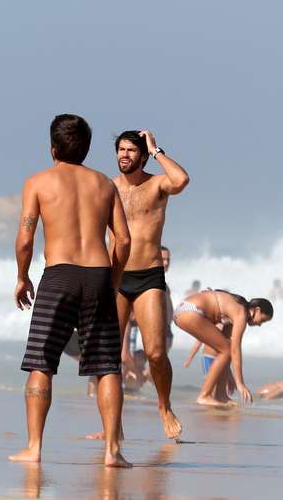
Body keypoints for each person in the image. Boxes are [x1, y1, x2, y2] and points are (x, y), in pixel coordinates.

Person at [10, 114, 131, 467]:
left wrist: (22, 277)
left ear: (52, 148)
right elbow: (123, 239)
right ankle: (112, 451)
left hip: (59, 275)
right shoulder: (105, 185)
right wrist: (114, 279)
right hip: (98, 274)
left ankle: (34, 448)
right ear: (87, 148)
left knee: (41, 362)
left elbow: (25, 239)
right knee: (108, 365)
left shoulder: (38, 182)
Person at [110, 130, 189, 440]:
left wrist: (157, 151)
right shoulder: (109, 188)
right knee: (110, 355)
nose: (124, 155)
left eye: (131, 150)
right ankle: (113, 421)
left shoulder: (157, 184)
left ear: (141, 156)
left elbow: (181, 180)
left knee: (156, 353)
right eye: (120, 149)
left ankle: (164, 405)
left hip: (148, 277)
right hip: (115, 276)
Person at [174, 289, 273, 405]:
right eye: (262, 320)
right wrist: (240, 383)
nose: (260, 325)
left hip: (183, 310)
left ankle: (221, 395)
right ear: (257, 310)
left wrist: (229, 374)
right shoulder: (241, 313)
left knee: (226, 349)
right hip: (191, 311)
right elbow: (236, 350)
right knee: (227, 350)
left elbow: (227, 348)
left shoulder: (234, 312)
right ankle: (204, 395)